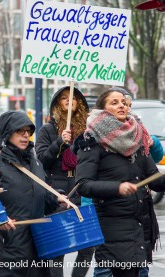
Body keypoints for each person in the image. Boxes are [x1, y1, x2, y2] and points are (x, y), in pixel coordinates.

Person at [75, 87, 165, 277]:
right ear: (103, 110)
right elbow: (83, 185)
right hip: (111, 226)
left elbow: (154, 179)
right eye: (114, 102)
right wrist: (117, 188)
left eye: (123, 102)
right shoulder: (91, 140)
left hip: (140, 224)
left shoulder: (138, 137)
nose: (121, 105)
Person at [0, 110, 65, 277]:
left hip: (36, 250)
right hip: (3, 251)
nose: (26, 136)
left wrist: (57, 198)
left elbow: (44, 198)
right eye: (20, 131)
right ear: (8, 132)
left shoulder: (36, 164)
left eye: (28, 132)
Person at [35, 86, 93, 277]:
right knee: (58, 247)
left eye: (73, 98)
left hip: (82, 190)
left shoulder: (88, 130)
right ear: (57, 104)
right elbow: (42, 159)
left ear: (80, 103)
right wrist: (60, 141)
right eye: (64, 98)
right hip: (57, 192)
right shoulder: (48, 129)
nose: (69, 100)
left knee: (86, 247)